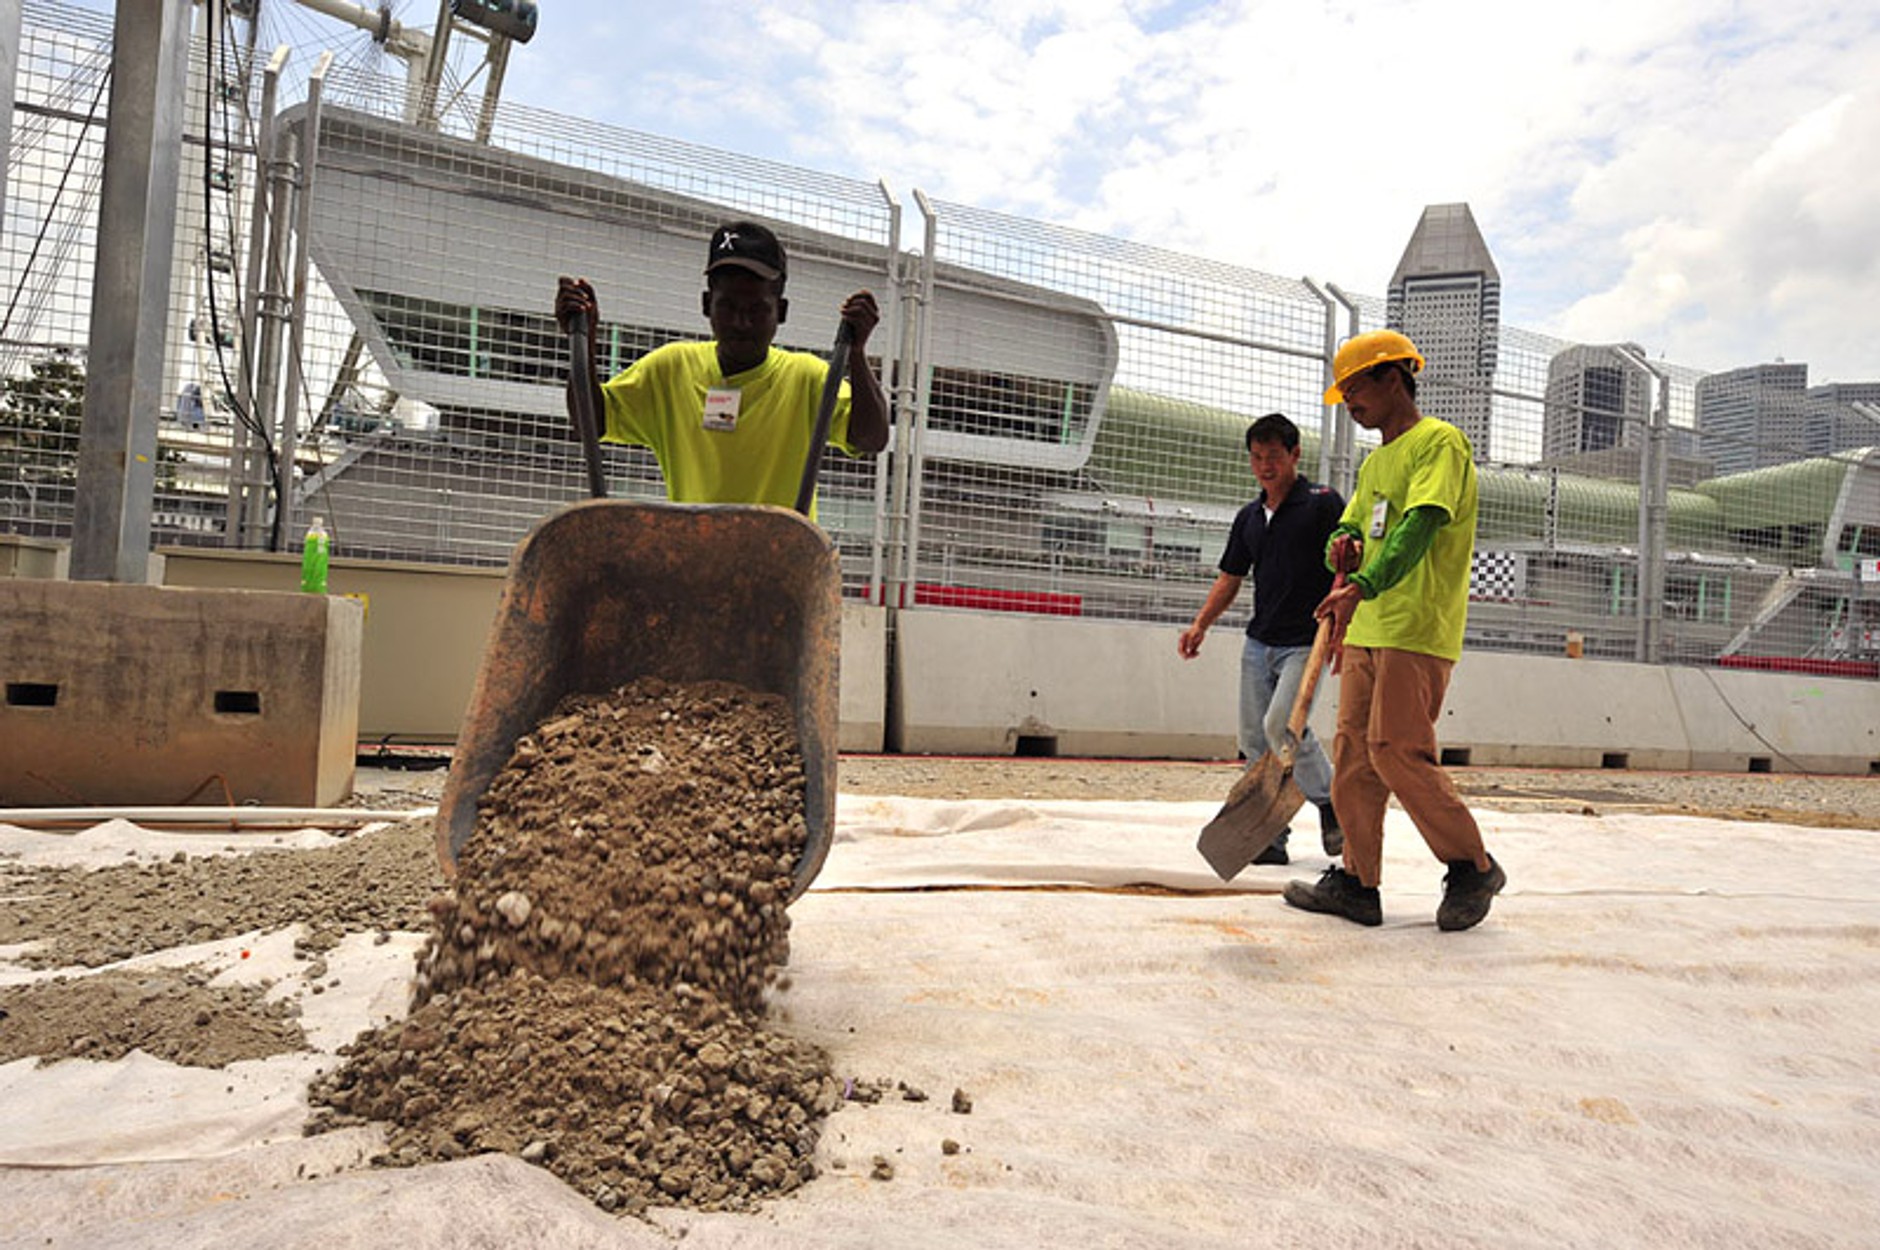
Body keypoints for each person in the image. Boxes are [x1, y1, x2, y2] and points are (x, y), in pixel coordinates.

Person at [1284, 329, 1506, 931]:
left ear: (1391, 378)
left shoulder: (1440, 444)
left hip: (1416, 626)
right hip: (1367, 627)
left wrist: (1368, 583)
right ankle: (1358, 883)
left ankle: (1472, 865)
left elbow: (1422, 524)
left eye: (1353, 387)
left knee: (1395, 749)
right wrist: (1343, 546)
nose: (1348, 401)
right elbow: (1351, 526)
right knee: (1354, 756)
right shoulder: (1376, 460)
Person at [554, 220, 890, 509]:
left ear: (781, 312)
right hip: (696, 566)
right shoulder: (671, 370)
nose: (741, 322)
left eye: (757, 309)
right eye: (727, 306)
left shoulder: (807, 379)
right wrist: (584, 338)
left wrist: (857, 353)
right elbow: (589, 423)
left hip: (783, 571)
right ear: (706, 304)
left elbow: (870, 438)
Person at [1178, 413, 1345, 865]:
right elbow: (1231, 577)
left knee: (1283, 728)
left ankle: (1332, 804)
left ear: (1294, 455)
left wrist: (1344, 628)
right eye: (1256, 457)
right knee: (1254, 740)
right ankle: (1270, 838)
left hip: (1306, 640)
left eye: (1274, 456)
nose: (1265, 466)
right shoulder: (1249, 517)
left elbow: (1348, 567)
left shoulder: (1322, 503)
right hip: (1259, 643)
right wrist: (1201, 625)